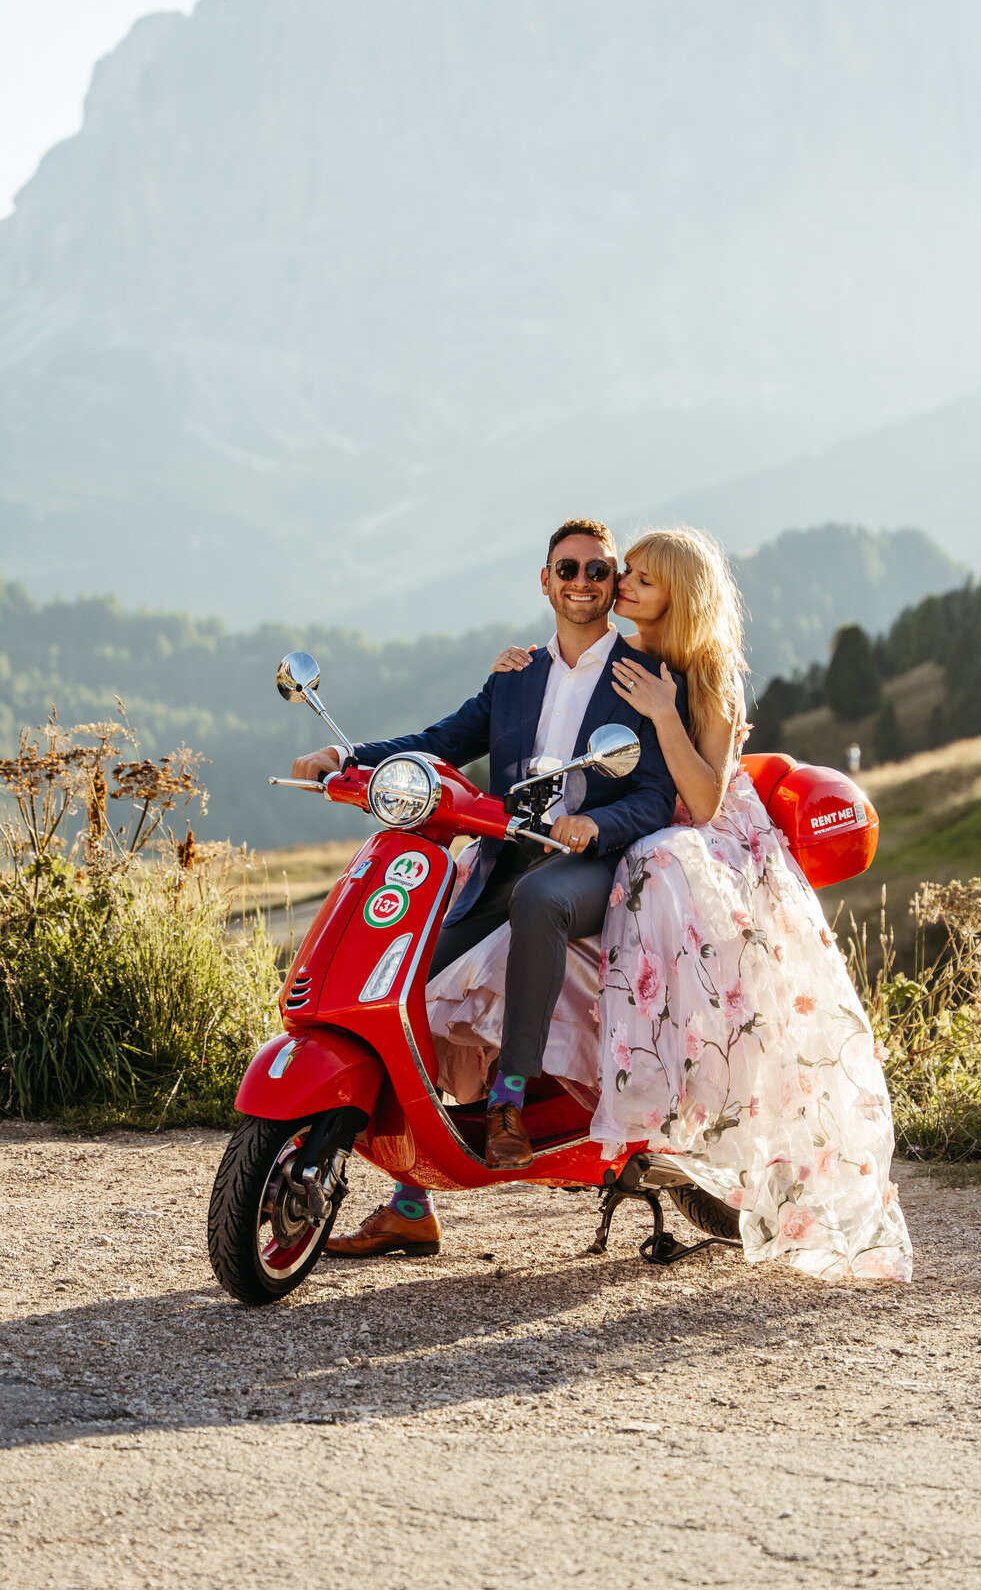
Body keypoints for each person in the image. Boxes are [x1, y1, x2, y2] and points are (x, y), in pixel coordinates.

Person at [482, 526, 912, 1280]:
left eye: (640, 579)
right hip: (645, 824)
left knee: (655, 866)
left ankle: (656, 1099)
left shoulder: (707, 670)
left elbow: (705, 802)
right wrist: (524, 669)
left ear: (677, 593)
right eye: (627, 575)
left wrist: (665, 711)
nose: (621, 585)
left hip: (707, 835)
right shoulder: (631, 659)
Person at [290, 516, 684, 1256]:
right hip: (504, 862)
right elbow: (443, 742)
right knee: (414, 976)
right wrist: (345, 756)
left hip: (593, 867)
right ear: (545, 581)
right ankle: (411, 1197)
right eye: (566, 570)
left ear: (612, 585)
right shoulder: (516, 676)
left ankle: (508, 1104)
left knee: (540, 901)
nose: (582, 583)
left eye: (598, 571)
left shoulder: (642, 678)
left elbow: (655, 796)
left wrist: (595, 829)